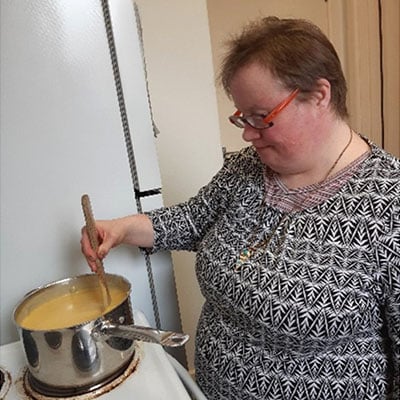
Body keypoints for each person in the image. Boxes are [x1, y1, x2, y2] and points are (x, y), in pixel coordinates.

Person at [81, 16, 400, 400]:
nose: (248, 133)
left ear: (319, 94)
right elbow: (194, 220)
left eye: (260, 117)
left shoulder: (388, 203)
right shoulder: (246, 166)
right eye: (241, 118)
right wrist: (122, 228)